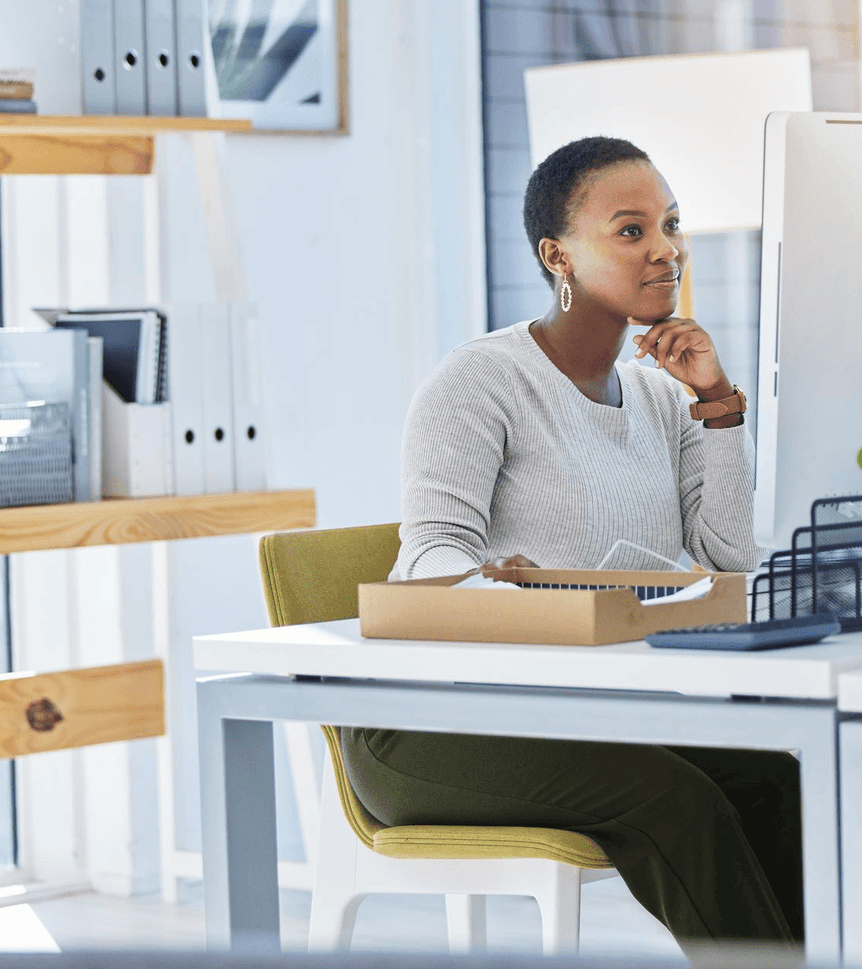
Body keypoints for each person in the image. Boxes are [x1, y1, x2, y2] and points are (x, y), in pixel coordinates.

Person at [338, 136, 802, 949]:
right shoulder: (480, 381)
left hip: (572, 712)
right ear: (559, 255)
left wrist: (719, 405)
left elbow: (727, 562)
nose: (666, 248)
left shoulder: (665, 393)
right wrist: (508, 585)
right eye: (631, 230)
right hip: (431, 722)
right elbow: (432, 555)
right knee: (673, 797)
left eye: (671, 223)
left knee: (780, 774)